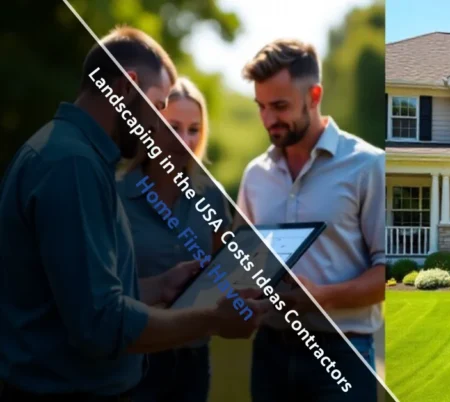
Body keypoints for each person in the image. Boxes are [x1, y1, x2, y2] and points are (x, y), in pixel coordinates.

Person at [0, 27, 260, 402]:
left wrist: (159, 286)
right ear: (125, 88)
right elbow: (101, 324)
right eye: (156, 108)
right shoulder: (73, 165)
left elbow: (77, 293)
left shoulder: (73, 154)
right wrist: (212, 319)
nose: (156, 126)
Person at [236, 39, 385, 401]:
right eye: (261, 107)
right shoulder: (254, 175)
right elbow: (243, 264)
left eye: (280, 106)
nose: (269, 119)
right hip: (269, 354)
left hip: (344, 356)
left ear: (314, 95)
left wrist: (323, 297)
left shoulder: (368, 166)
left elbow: (389, 271)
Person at [117, 77, 229, 402]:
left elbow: (223, 274)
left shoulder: (211, 196)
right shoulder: (116, 193)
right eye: (173, 127)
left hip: (193, 360)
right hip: (133, 362)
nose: (185, 140)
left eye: (194, 129)